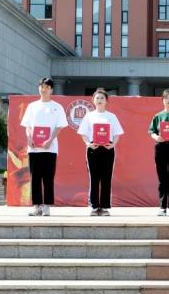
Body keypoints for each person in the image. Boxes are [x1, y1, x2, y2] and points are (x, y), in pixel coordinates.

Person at [19, 77, 68, 216]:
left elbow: (59, 126)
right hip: (34, 148)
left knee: (48, 177)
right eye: (42, 86)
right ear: (38, 88)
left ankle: (46, 205)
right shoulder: (32, 106)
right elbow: (27, 125)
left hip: (50, 148)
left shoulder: (57, 107)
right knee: (35, 177)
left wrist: (50, 140)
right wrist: (29, 138)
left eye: (47, 87)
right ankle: (37, 206)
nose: (44, 89)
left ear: (51, 90)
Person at [77, 89, 124, 216]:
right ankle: (94, 206)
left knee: (106, 178)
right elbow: (83, 133)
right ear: (93, 100)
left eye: (102, 98)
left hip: (108, 149)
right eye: (97, 98)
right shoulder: (89, 116)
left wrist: (113, 145)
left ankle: (104, 207)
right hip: (93, 149)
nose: (99, 100)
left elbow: (117, 133)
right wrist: (88, 144)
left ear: (106, 101)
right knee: (94, 178)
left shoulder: (111, 116)